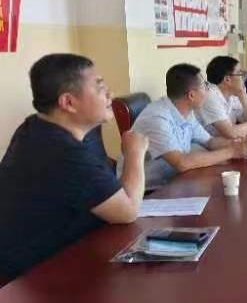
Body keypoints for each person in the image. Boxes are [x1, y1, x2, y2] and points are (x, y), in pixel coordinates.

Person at [0, 54, 148, 278]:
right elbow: (127, 211)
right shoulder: (60, 152)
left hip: (80, 247)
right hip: (36, 274)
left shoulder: (38, 125)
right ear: (68, 102)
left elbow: (101, 181)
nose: (110, 95)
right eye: (100, 88)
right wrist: (134, 152)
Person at [132, 63, 247, 189]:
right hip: (148, 191)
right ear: (191, 95)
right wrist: (231, 152)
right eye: (205, 86)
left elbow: (210, 141)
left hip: (176, 181)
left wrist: (239, 143)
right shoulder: (158, 118)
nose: (208, 90)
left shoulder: (186, 112)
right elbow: (182, 163)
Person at [196, 56, 247, 138]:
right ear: (227, 79)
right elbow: (231, 133)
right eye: (239, 73)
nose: (243, 77)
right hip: (204, 144)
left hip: (224, 142)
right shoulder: (209, 95)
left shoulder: (234, 93)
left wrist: (242, 93)